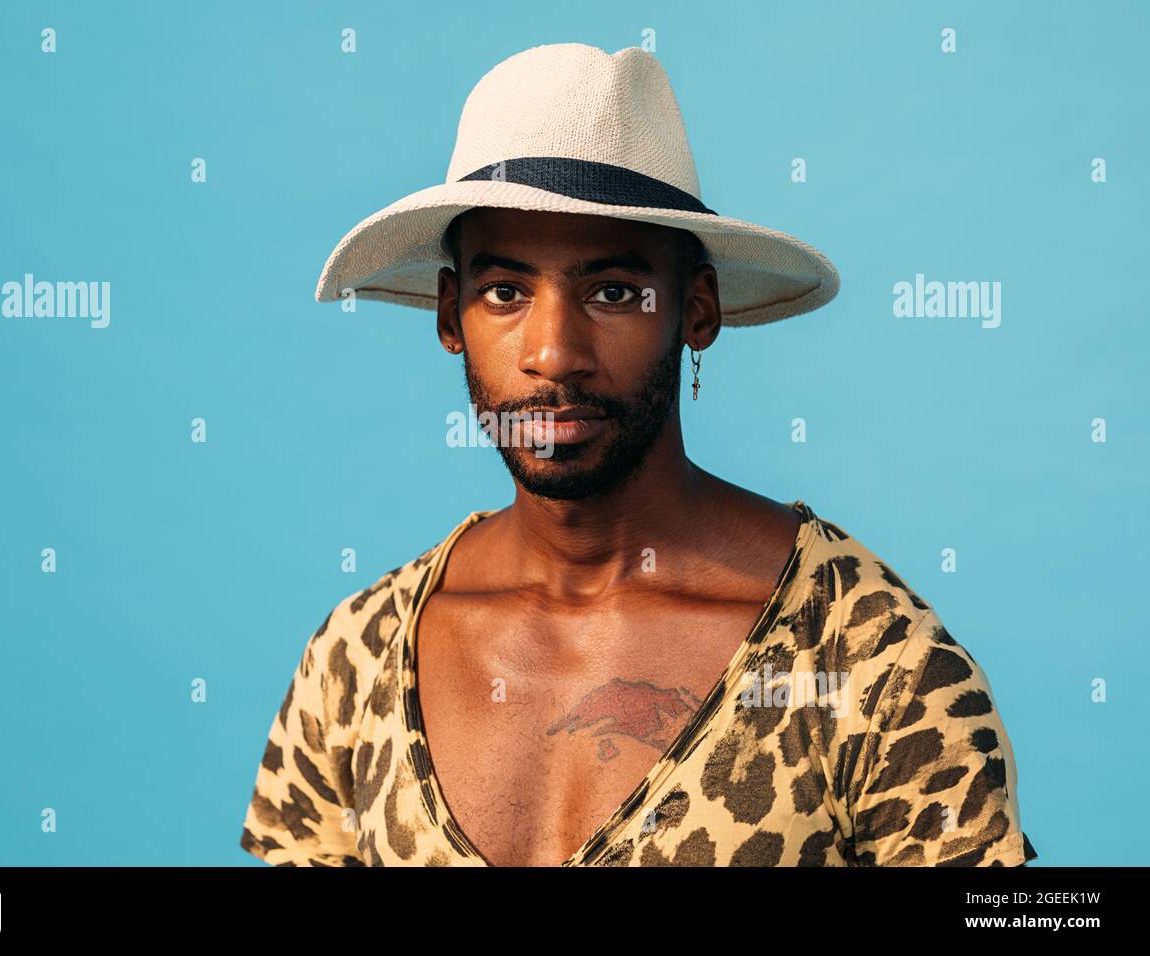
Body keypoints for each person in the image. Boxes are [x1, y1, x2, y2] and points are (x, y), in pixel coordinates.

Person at [239, 43, 1036, 867]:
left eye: (613, 292)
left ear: (696, 312)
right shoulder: (356, 659)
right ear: (451, 317)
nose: (553, 352)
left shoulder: (865, 659)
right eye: (505, 292)